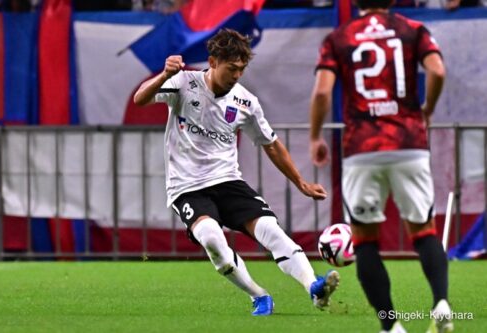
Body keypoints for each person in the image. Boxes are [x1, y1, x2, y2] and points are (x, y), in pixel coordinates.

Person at [134, 28, 340, 316]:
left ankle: (314, 287)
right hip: (187, 187)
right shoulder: (183, 82)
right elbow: (140, 99)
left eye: (242, 69)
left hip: (228, 181)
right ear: (213, 61)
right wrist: (164, 75)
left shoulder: (246, 102)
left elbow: (271, 144)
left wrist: (301, 183)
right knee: (212, 239)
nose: (237, 76)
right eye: (232, 69)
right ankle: (259, 295)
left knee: (270, 229)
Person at [309, 1, 451, 333]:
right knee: (424, 230)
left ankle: (391, 326)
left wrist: (316, 136)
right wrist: (426, 109)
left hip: (362, 147)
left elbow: (321, 93)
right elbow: (438, 70)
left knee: (365, 241)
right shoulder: (412, 30)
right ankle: (441, 303)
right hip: (408, 144)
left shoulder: (339, 37)